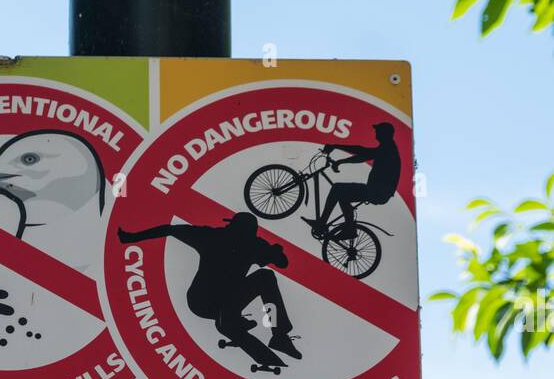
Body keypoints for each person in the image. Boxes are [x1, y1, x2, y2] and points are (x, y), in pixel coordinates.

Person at [118, 212, 301, 362]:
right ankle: (276, 332)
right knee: (266, 277)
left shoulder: (211, 236)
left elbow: (169, 230)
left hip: (203, 302)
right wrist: (276, 252)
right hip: (214, 303)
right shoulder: (253, 244)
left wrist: (132, 238)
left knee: (263, 278)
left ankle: (266, 331)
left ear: (232, 226)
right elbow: (282, 263)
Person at [307, 122, 401, 238]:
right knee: (343, 195)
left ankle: (323, 224)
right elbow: (363, 155)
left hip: (377, 192)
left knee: (337, 188)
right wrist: (341, 161)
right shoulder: (387, 147)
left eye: (378, 131)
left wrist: (337, 149)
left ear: (384, 133)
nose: (375, 133)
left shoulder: (387, 148)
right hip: (378, 191)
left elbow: (362, 153)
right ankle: (349, 227)